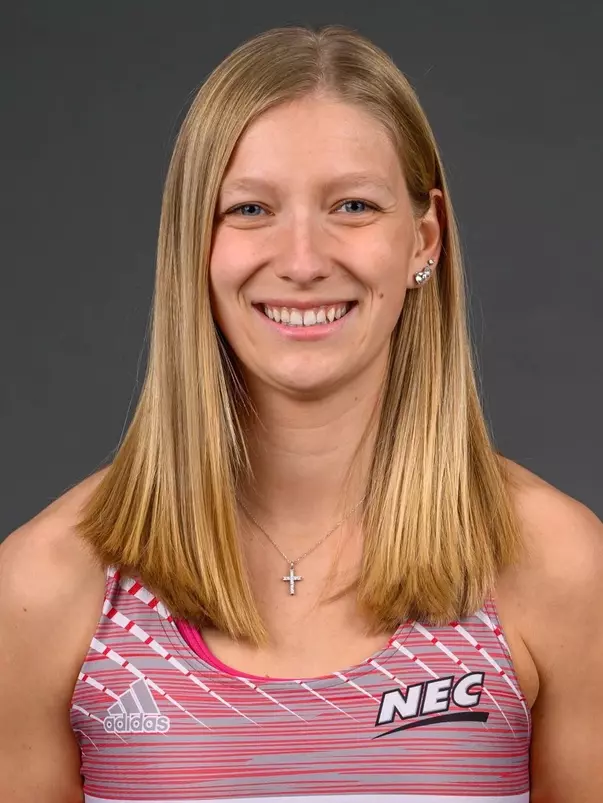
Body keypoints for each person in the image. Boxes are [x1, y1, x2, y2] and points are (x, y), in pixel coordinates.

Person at [1, 23, 602, 803]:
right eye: (250, 209)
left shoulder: (556, 567)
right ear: (195, 243)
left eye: (351, 205)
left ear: (422, 238)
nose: (303, 259)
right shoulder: (48, 589)